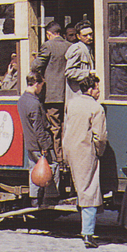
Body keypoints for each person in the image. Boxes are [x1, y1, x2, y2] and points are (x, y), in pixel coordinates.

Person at [63, 73, 107, 248]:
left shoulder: (72, 104)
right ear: (90, 89)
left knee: (81, 189)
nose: (99, 91)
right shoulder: (96, 108)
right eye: (97, 88)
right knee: (89, 190)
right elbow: (100, 137)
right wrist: (99, 152)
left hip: (70, 150)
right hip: (86, 151)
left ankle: (86, 227)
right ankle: (88, 233)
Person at [29, 21, 72, 162]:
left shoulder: (48, 45)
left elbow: (35, 66)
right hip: (67, 94)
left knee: (54, 127)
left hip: (51, 96)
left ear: (49, 34)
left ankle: (58, 158)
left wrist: (34, 59)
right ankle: (67, 156)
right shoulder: (70, 46)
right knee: (65, 126)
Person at [17, 71, 59, 208]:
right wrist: (46, 146)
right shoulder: (34, 104)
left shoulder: (22, 100)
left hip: (29, 144)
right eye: (41, 85)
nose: (41, 88)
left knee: (33, 169)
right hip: (38, 144)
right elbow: (39, 129)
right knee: (53, 166)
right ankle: (51, 198)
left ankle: (34, 200)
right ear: (36, 84)